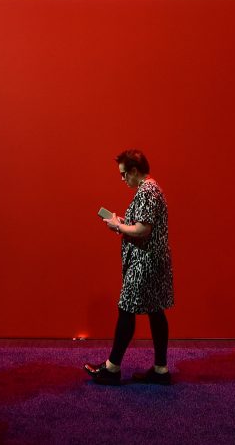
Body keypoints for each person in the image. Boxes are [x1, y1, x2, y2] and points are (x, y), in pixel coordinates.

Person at [84, 149, 174, 386]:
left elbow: (143, 230)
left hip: (144, 262)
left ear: (135, 171)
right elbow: (143, 225)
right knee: (155, 311)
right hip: (154, 261)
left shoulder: (146, 191)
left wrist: (118, 227)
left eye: (124, 175)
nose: (123, 179)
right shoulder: (152, 189)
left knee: (126, 309)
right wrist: (124, 223)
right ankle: (161, 369)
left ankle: (112, 368)